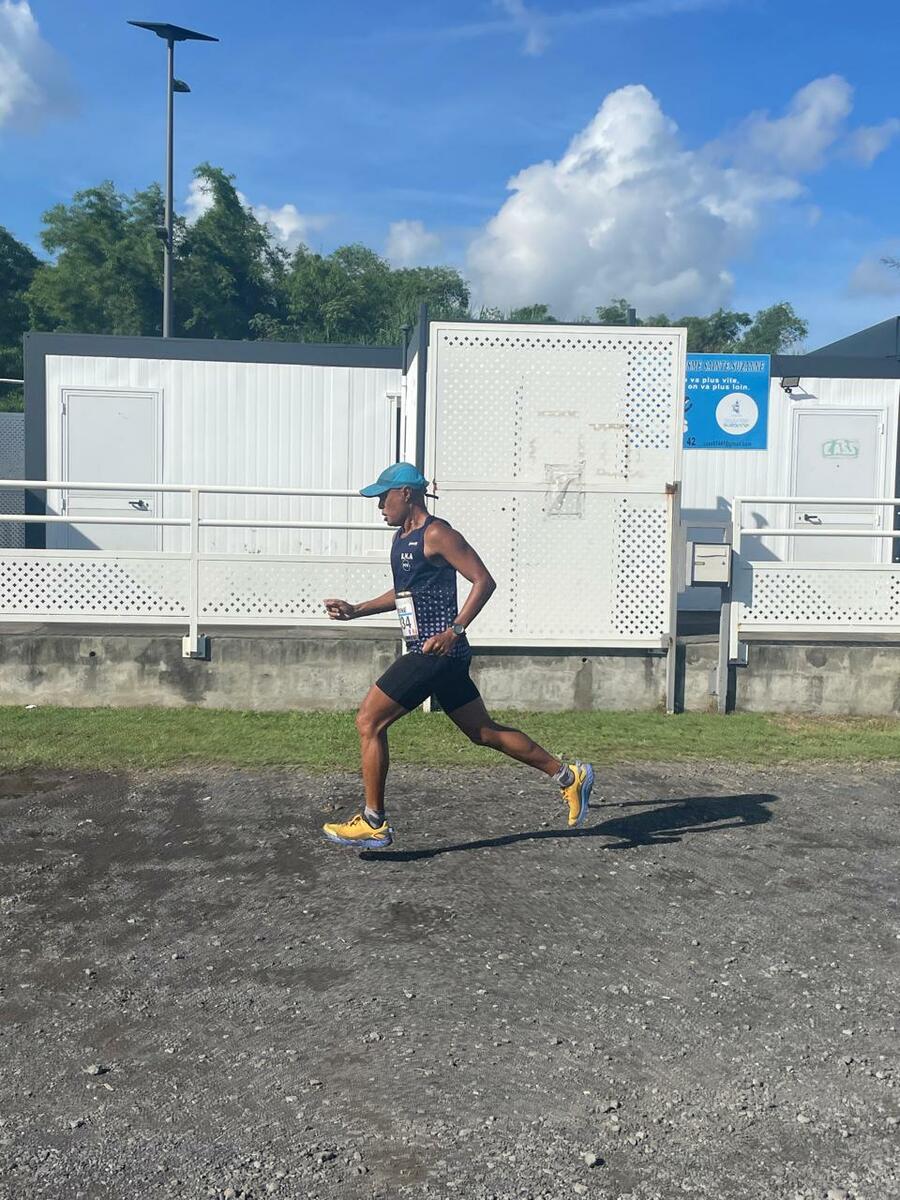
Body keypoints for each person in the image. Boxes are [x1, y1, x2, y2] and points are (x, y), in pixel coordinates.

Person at [322, 462, 594, 849]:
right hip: (437, 655)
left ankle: (373, 821)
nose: (379, 505)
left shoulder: (438, 534)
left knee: (369, 721)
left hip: (435, 653)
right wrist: (357, 609)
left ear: (406, 494)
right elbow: (405, 594)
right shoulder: (402, 538)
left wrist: (455, 630)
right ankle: (569, 777)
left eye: (383, 497)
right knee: (483, 732)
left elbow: (484, 581)